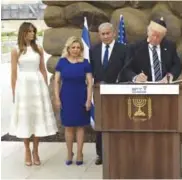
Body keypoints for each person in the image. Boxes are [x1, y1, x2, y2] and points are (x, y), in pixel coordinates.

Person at [9, 22, 58, 166]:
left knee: (37, 118)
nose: (32, 34)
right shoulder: (16, 50)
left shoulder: (39, 49)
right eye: (29, 31)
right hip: (23, 86)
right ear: (23, 32)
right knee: (26, 118)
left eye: (33, 32)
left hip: (37, 85)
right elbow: (13, 73)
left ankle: (35, 150)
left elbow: (43, 69)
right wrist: (14, 93)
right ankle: (26, 149)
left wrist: (44, 89)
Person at [90, 22, 127, 165]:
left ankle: (118, 151)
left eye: (108, 33)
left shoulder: (123, 49)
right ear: (99, 35)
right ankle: (101, 154)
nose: (105, 36)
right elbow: (92, 70)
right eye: (102, 34)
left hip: (118, 92)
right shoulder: (94, 49)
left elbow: (127, 69)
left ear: (114, 33)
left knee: (118, 122)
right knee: (101, 123)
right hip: (99, 93)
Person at [54, 36, 93, 166]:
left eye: (78, 47)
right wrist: (57, 98)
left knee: (80, 126)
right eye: (73, 47)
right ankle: (69, 153)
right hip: (66, 97)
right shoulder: (62, 62)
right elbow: (57, 81)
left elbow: (89, 83)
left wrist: (88, 100)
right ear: (68, 48)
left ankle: (80, 153)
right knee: (69, 126)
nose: (76, 50)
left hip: (81, 97)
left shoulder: (85, 62)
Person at [124, 17, 182, 83]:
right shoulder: (135, 47)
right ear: (148, 32)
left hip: (164, 87)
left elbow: (177, 65)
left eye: (158, 36)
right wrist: (136, 77)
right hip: (143, 88)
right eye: (153, 35)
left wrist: (170, 75)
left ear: (163, 36)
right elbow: (126, 69)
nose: (155, 38)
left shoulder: (169, 46)